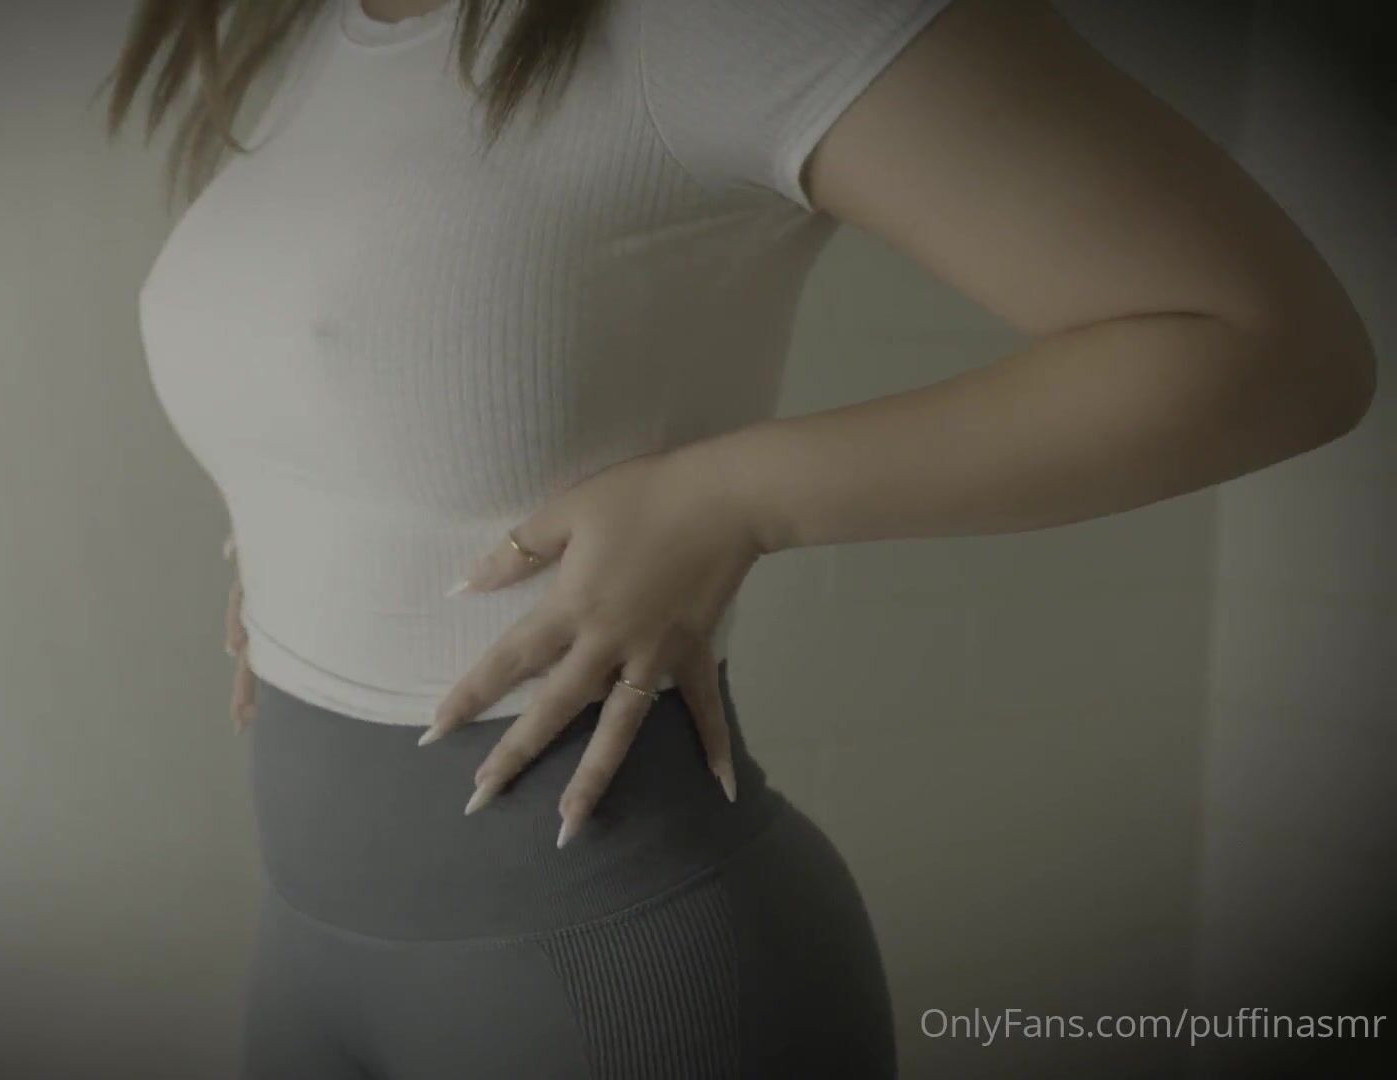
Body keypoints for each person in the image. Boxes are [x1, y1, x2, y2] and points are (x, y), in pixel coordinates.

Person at [106, 0, 1376, 1075]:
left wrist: (733, 498)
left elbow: (1270, 343)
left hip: (611, 974)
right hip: (305, 948)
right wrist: (296, 536)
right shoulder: (296, 31)